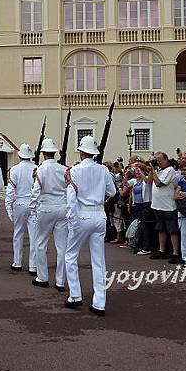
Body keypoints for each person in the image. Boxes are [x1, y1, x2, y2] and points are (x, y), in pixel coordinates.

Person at [64, 135, 116, 316]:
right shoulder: (103, 170)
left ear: (81, 152)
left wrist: (70, 218)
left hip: (81, 214)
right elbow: (113, 191)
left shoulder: (75, 171)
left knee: (70, 255)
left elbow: (71, 198)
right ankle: (99, 302)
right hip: (99, 214)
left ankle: (75, 295)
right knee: (98, 260)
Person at [30, 138, 68, 290]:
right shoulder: (64, 169)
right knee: (62, 246)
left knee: (40, 243)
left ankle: (42, 277)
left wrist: (33, 208)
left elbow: (36, 191)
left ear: (44, 153)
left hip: (46, 207)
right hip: (62, 207)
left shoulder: (41, 170)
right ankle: (60, 281)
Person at [5, 143, 38, 273]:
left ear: (19, 156)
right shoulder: (36, 168)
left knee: (18, 233)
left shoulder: (14, 169)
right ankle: (33, 265)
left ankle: (17, 262)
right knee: (34, 235)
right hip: (33, 202)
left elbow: (10, 192)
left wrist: (9, 209)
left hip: (19, 202)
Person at [148, 152, 182, 264]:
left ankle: (175, 253)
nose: (157, 162)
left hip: (168, 205)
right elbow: (149, 181)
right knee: (161, 229)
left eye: (159, 160)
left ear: (166, 159)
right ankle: (162, 250)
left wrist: (153, 170)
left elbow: (159, 183)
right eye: (155, 160)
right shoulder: (159, 170)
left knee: (172, 229)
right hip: (158, 205)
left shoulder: (170, 170)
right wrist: (150, 170)